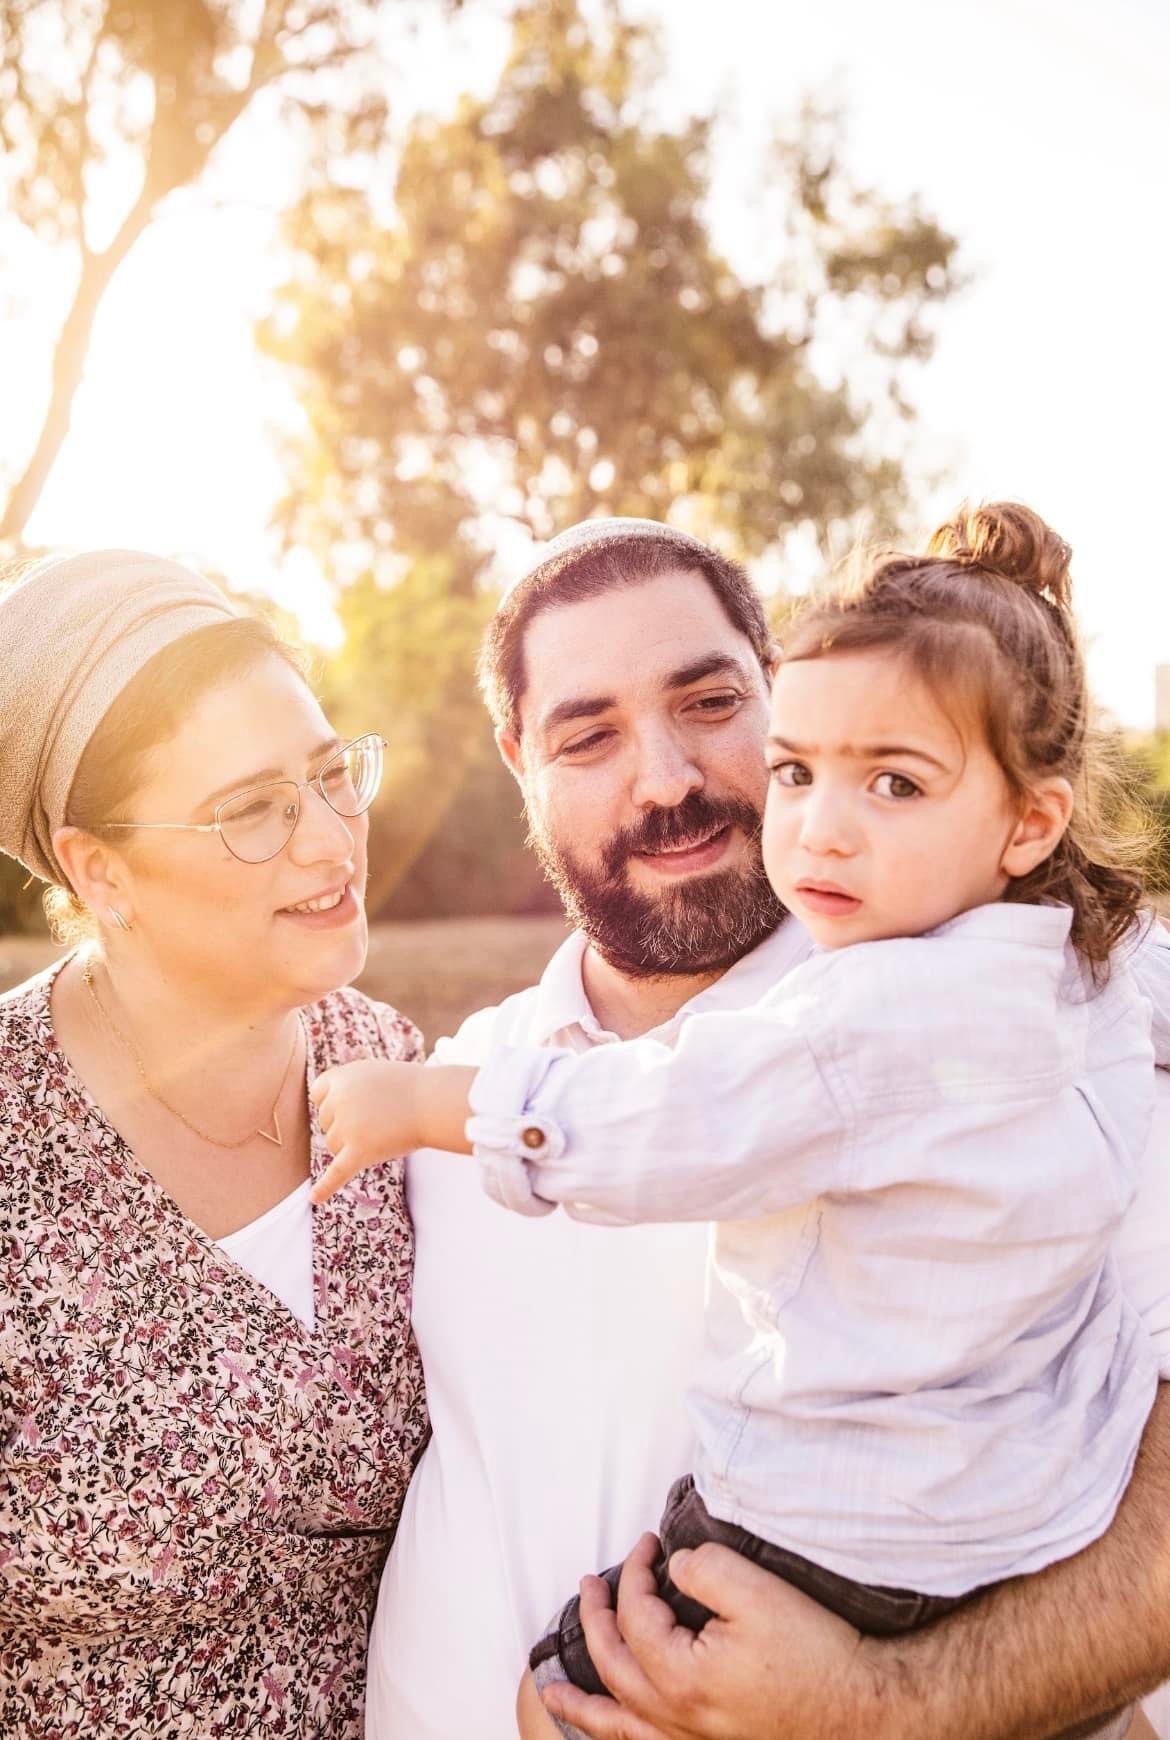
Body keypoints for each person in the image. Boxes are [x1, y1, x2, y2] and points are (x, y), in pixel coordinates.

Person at [315, 502, 1164, 1738]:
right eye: (588, 734)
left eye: (711, 704)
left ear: (777, 689)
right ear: (516, 759)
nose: (666, 779)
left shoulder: (1054, 1022)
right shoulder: (458, 1070)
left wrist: (880, 1706)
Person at [0, 551, 427, 1737]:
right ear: (100, 870)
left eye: (331, 777)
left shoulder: (394, 1067)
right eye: (252, 811)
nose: (332, 842)